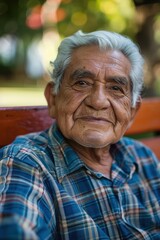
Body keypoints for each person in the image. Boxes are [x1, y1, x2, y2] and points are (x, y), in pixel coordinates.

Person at [0, 30, 160, 240]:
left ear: (131, 113)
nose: (98, 101)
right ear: (53, 99)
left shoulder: (141, 156)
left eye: (115, 88)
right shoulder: (27, 162)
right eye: (82, 83)